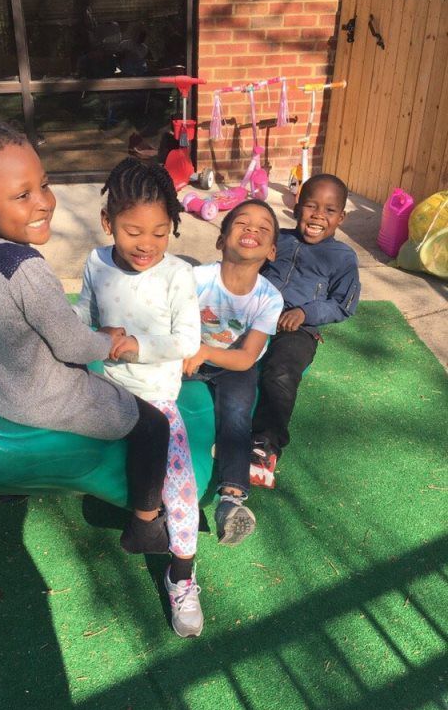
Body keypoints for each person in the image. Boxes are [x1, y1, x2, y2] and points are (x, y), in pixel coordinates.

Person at [0, 117, 172, 555]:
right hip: (37, 397)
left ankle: (10, 482)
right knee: (152, 425)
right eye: (22, 195)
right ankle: (145, 526)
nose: (44, 202)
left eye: (43, 185)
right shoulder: (25, 267)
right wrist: (107, 339)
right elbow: (71, 345)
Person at [73, 157, 204, 638]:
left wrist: (138, 347)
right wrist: (90, 334)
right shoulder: (95, 262)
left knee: (182, 492)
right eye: (132, 231)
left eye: (159, 232)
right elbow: (82, 316)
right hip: (104, 392)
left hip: (156, 400)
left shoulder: (176, 275)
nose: (146, 244)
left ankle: (182, 576)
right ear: (108, 223)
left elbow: (188, 341)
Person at [183, 200, 284, 546]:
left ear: (271, 251)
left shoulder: (269, 298)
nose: (251, 229)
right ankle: (163, 485)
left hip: (232, 366)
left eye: (263, 228)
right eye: (242, 223)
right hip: (189, 354)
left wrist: (207, 352)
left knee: (238, 415)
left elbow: (245, 358)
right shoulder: (195, 279)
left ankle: (231, 500)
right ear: (221, 239)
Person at [250, 173, 360, 489]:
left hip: (298, 331)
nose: (318, 216)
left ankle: (264, 445)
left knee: (279, 373)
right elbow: (246, 267)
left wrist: (305, 312)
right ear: (297, 208)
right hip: (256, 316)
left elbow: (344, 304)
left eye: (329, 210)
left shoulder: (342, 258)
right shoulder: (278, 240)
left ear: (341, 217)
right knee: (221, 356)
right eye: (311, 206)